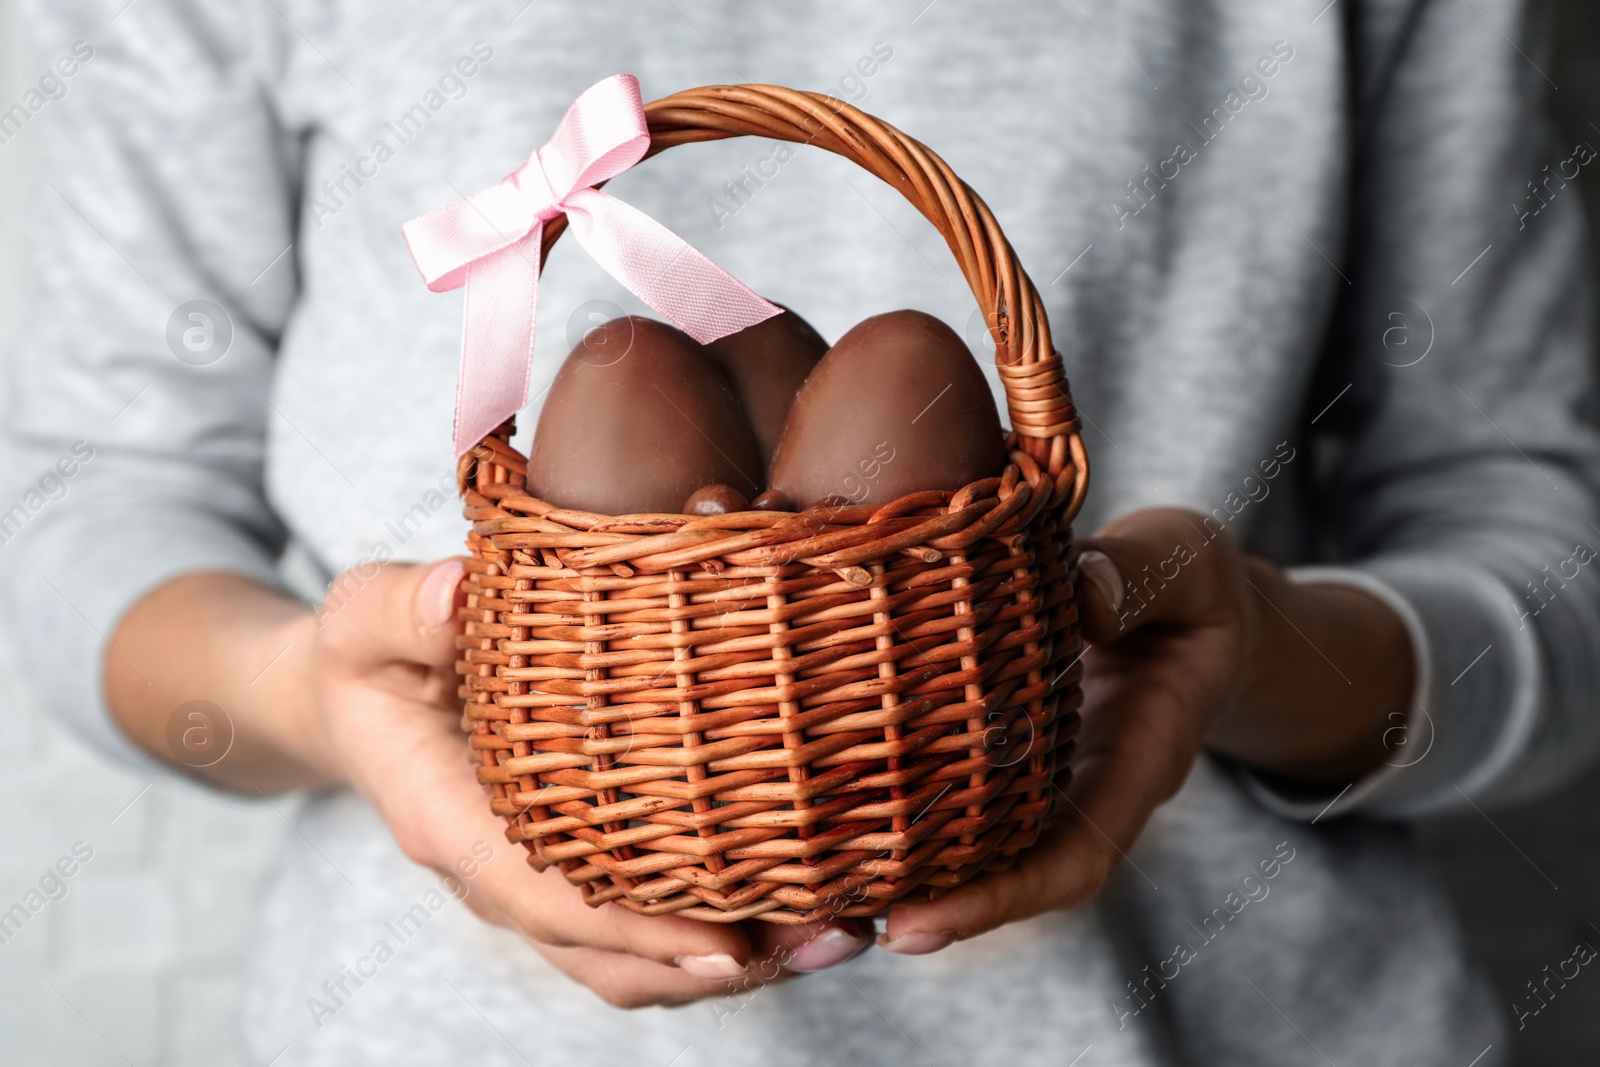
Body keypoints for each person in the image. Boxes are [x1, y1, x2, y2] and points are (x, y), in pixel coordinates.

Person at [8, 1, 1599, 1064]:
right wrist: (314, 690)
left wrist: (1256, 650)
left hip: (1248, 1030)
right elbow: (91, 503)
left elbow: (1539, 550)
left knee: (886, 364)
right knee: (644, 376)